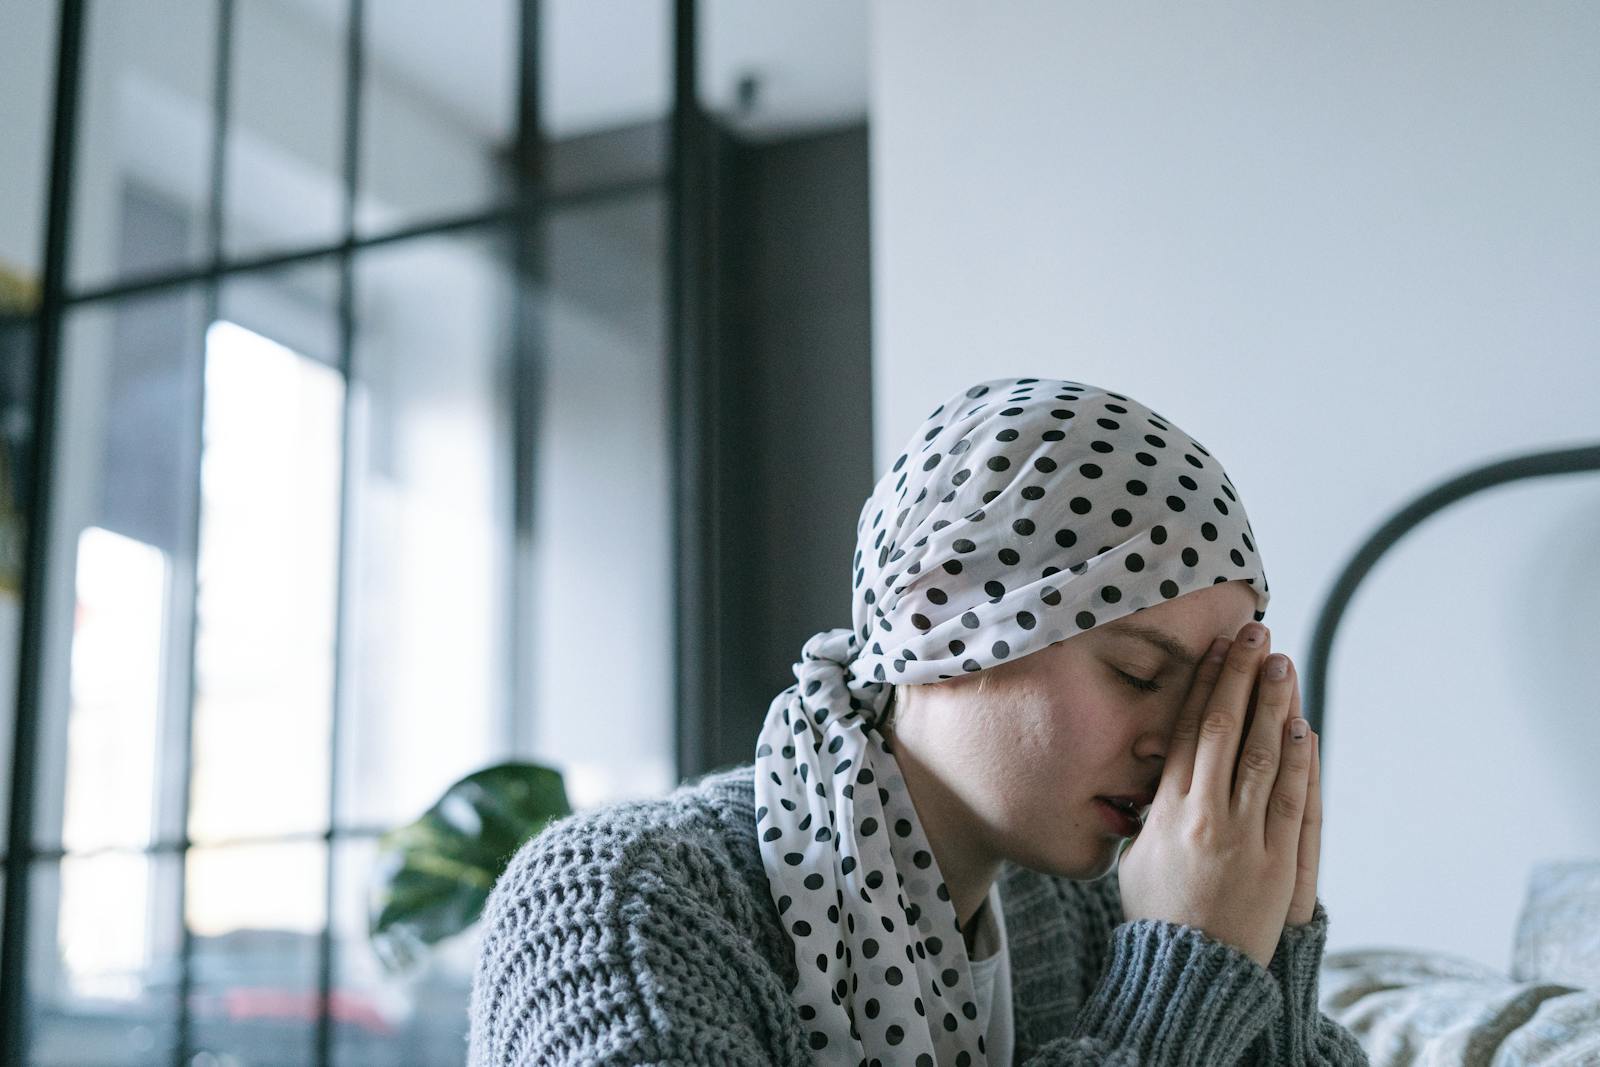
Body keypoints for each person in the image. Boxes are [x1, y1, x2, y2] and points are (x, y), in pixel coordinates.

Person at [467, 376, 1370, 1066]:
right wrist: (1179, 985)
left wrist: (1266, 961)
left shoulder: (1089, 918)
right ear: (935, 616)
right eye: (1138, 672)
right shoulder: (625, 911)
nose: (1177, 746)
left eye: (1208, 696)